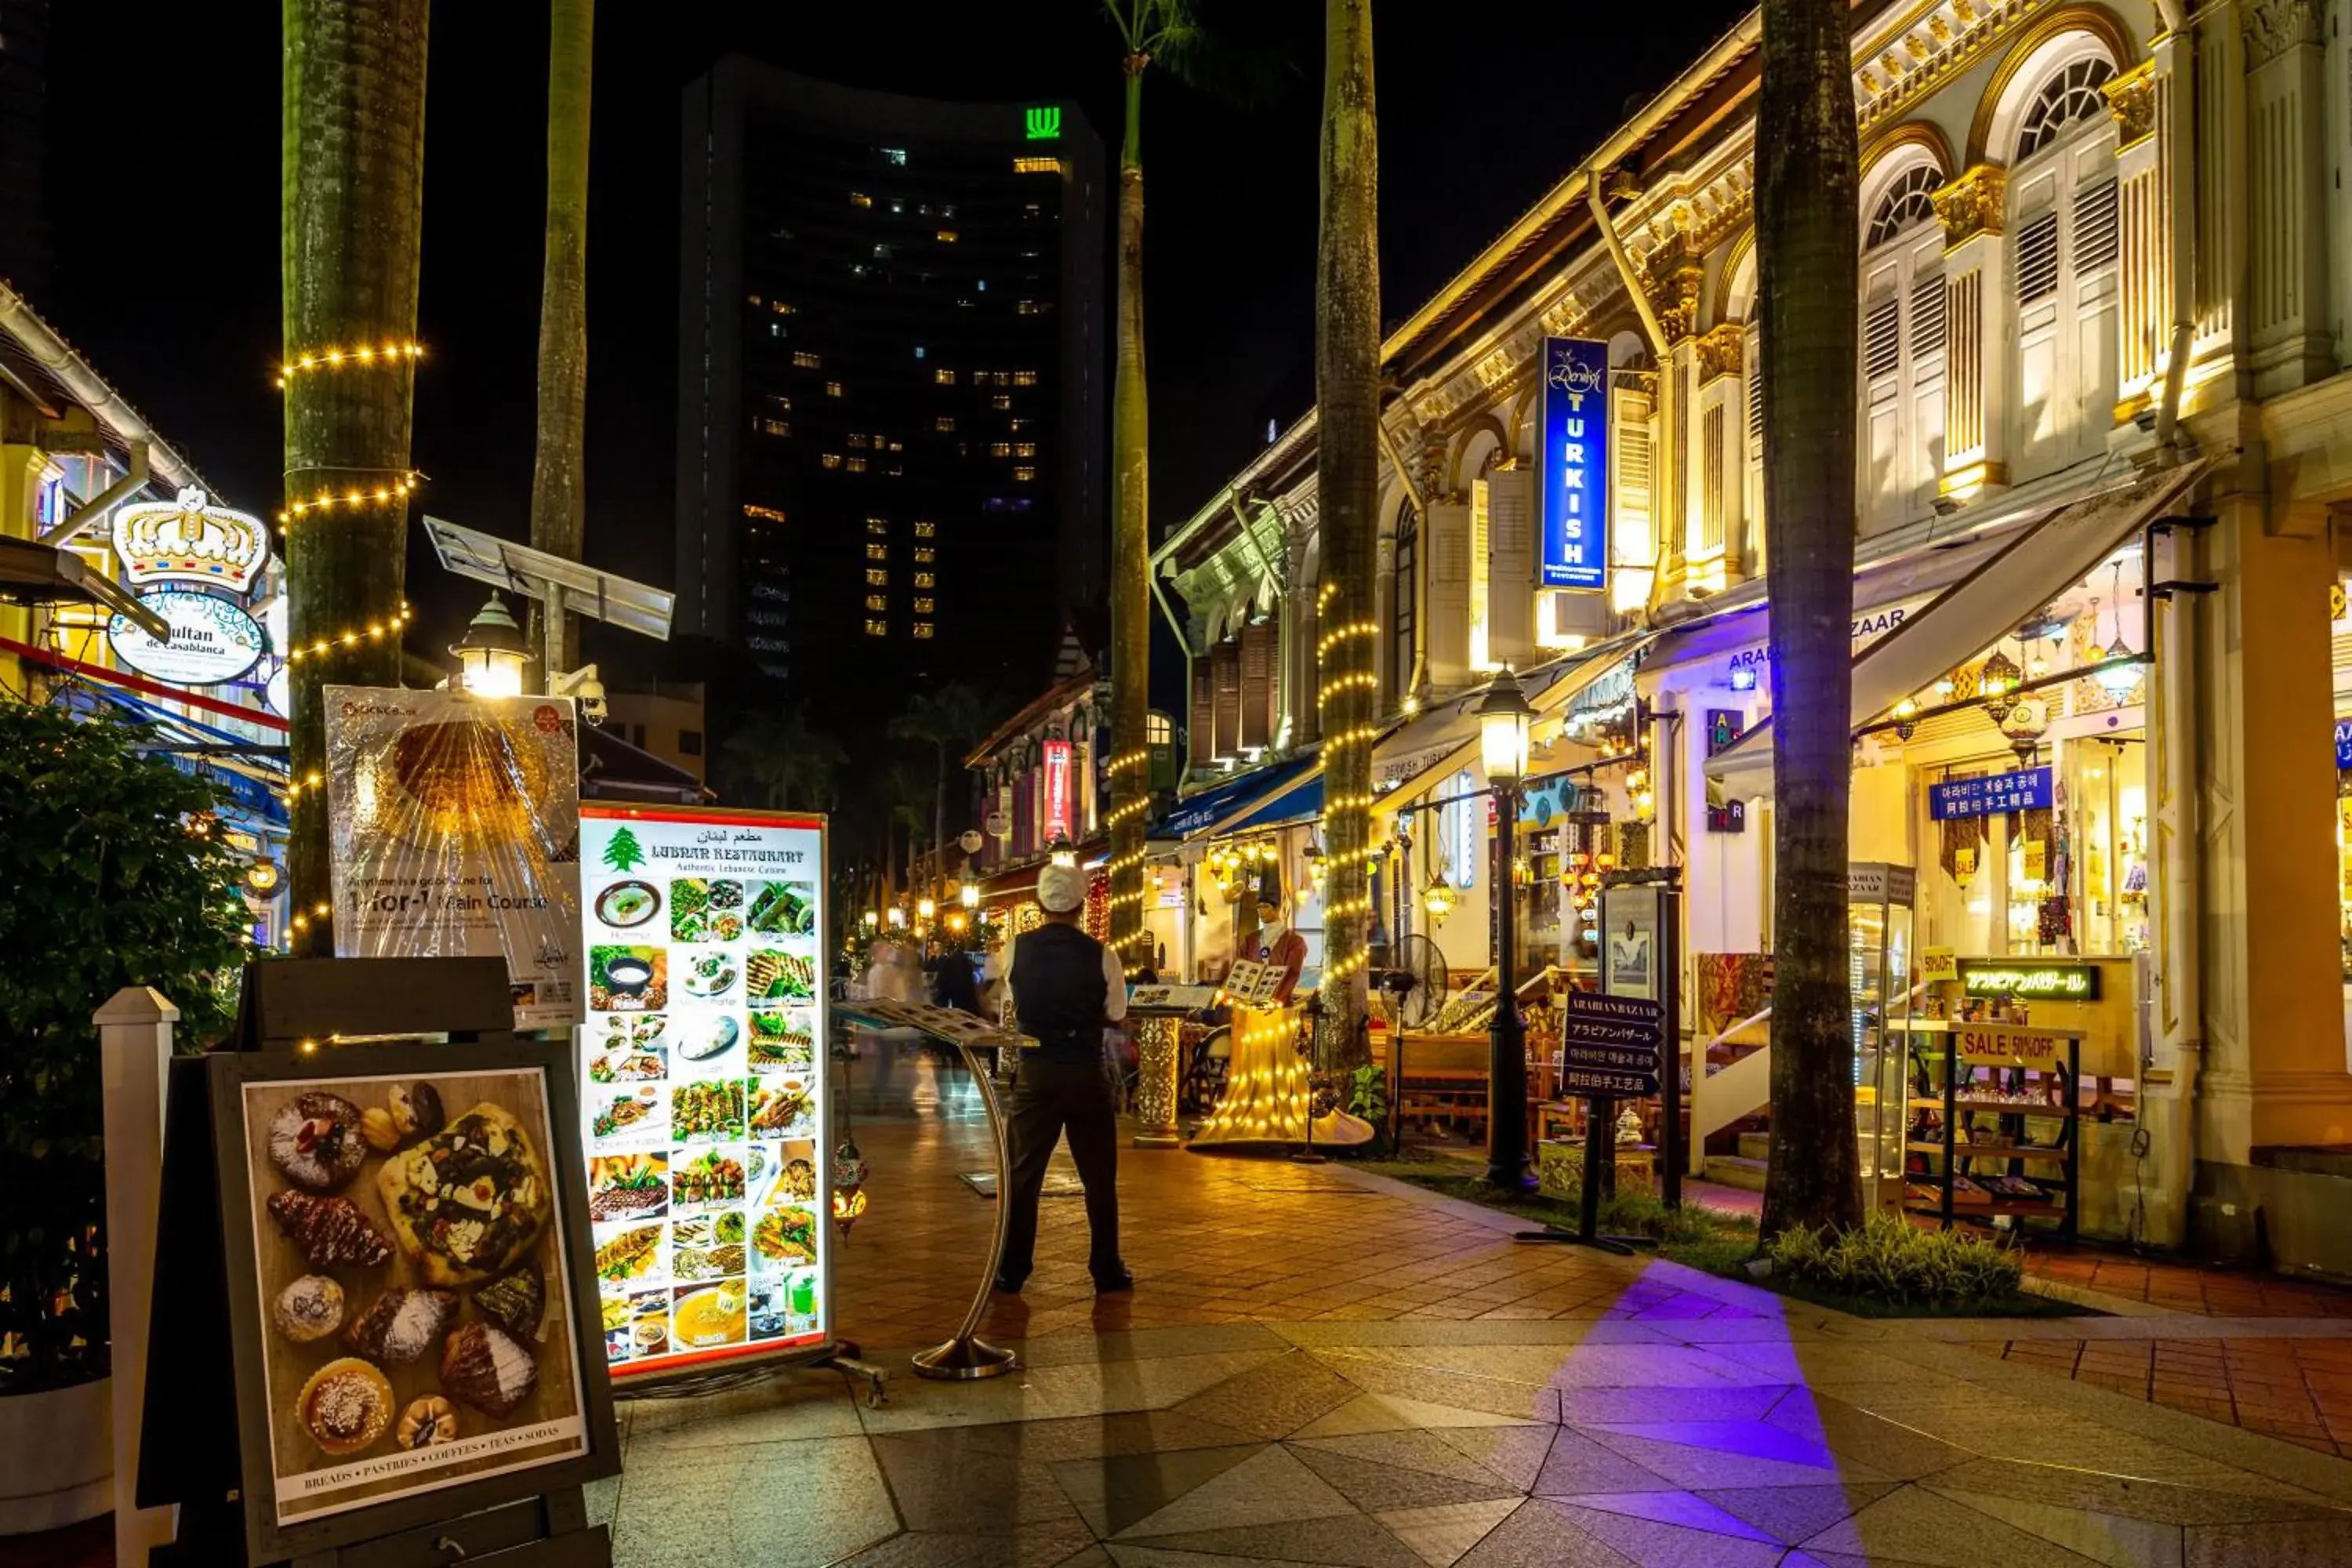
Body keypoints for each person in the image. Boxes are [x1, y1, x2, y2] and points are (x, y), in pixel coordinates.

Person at [983, 862, 1133, 1294]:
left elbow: (1004, 996)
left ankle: (1013, 1269)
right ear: (1083, 905)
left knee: (1023, 1176)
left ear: (1038, 904)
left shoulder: (1015, 949)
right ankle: (1106, 1269)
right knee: (1099, 1178)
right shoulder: (1103, 955)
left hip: (1036, 1073)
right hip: (1086, 1073)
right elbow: (1118, 1013)